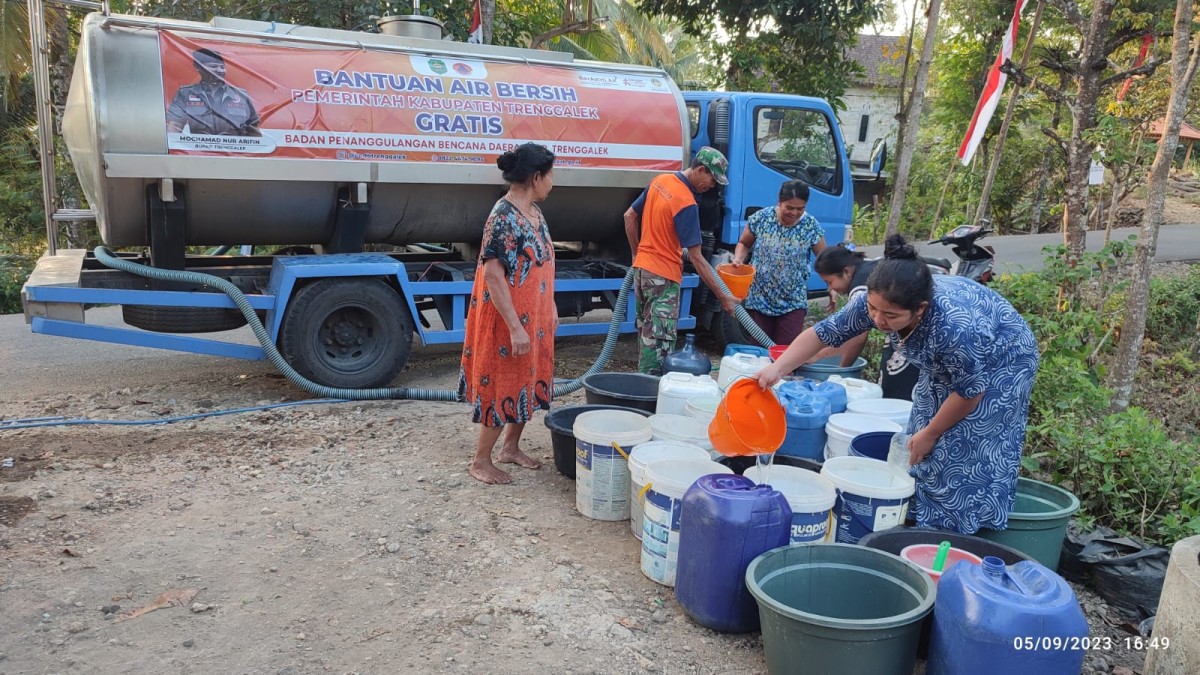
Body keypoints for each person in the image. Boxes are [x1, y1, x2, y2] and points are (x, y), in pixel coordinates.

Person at [757, 235, 1040, 534]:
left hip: (1003, 362)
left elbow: (970, 392)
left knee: (964, 443)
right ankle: (918, 510)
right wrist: (778, 368)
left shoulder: (955, 328)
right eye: (873, 309)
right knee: (917, 435)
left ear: (920, 309)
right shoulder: (880, 299)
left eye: (890, 316)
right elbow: (823, 333)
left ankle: (959, 528)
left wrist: (932, 433)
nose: (878, 320)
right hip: (954, 360)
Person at [458, 143, 558, 485]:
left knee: (528, 380)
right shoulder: (503, 217)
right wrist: (516, 328)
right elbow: (493, 275)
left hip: (537, 318)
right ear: (536, 177)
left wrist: (551, 308)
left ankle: (510, 448)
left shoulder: (534, 212)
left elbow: (543, 263)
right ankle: (481, 460)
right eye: (550, 175)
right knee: (503, 383)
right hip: (508, 321)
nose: (552, 182)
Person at [624, 147, 740, 374]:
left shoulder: (660, 180)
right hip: (664, 279)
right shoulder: (686, 202)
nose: (712, 186)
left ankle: (642, 386)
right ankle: (651, 395)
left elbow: (629, 216)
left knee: (647, 337)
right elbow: (697, 258)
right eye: (712, 179)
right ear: (700, 169)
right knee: (659, 346)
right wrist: (723, 296)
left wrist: (636, 254)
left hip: (642, 273)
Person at [815, 244, 920, 400]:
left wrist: (841, 373)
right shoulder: (870, 265)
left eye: (829, 282)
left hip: (916, 331)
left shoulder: (861, 287)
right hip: (908, 326)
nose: (831, 288)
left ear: (846, 272)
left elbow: (857, 337)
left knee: (898, 390)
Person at [730, 180, 826, 345]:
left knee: (785, 354)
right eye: (789, 207)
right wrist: (739, 258)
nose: (794, 213)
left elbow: (824, 258)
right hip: (759, 298)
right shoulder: (762, 219)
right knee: (759, 353)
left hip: (793, 301)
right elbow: (744, 243)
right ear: (779, 202)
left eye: (800, 209)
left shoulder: (810, 225)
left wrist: (831, 284)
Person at [166, 48, 262, 137]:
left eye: (222, 67)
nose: (220, 70)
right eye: (214, 66)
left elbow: (253, 130)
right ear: (198, 67)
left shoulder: (241, 95)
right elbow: (175, 126)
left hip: (235, 151)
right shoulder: (185, 93)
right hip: (199, 151)